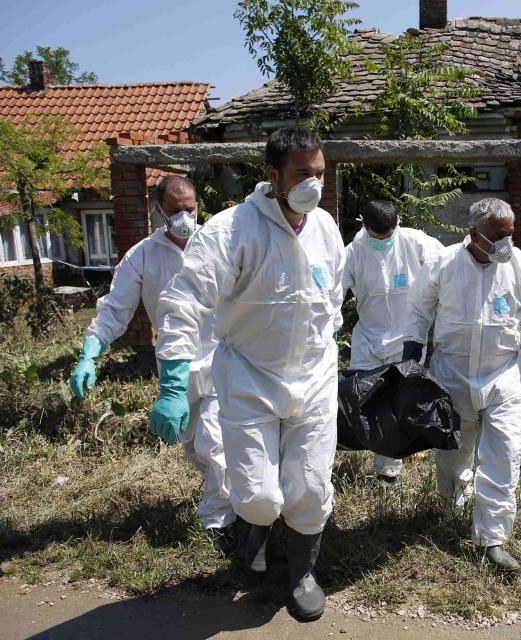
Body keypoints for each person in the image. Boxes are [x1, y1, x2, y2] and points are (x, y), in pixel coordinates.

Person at [151, 127, 343, 622]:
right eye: (302, 174)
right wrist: (173, 384)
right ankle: (258, 526)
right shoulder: (230, 232)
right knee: (258, 497)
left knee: (311, 490)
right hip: (249, 378)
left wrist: (328, 348)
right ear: (272, 175)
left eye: (319, 173)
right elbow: (182, 303)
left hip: (315, 378)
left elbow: (333, 299)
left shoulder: (325, 227)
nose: (313, 185)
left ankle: (301, 573)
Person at [403, 197, 521, 572]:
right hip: (450, 374)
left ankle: (492, 540)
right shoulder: (443, 264)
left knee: (503, 454)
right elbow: (418, 313)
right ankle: (453, 507)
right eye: (498, 236)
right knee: (454, 453)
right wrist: (411, 365)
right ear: (474, 234)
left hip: (503, 375)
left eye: (510, 234)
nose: (506, 243)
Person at [68, 175, 234, 551]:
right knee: (197, 448)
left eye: (190, 208)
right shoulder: (142, 255)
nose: (185, 217)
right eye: (176, 210)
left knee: (216, 440)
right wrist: (89, 355)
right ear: (157, 211)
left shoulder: (218, 245)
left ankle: (220, 524)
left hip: (224, 359)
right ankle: (229, 503)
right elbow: (114, 311)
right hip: (177, 369)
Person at [342, 200, 443, 484]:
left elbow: (444, 266)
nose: (385, 241)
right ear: (365, 226)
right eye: (379, 237)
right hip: (368, 338)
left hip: (407, 339)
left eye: (390, 235)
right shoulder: (353, 253)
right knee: (360, 400)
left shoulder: (415, 242)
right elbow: (332, 295)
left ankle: (387, 475)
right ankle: (348, 452)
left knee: (397, 404)